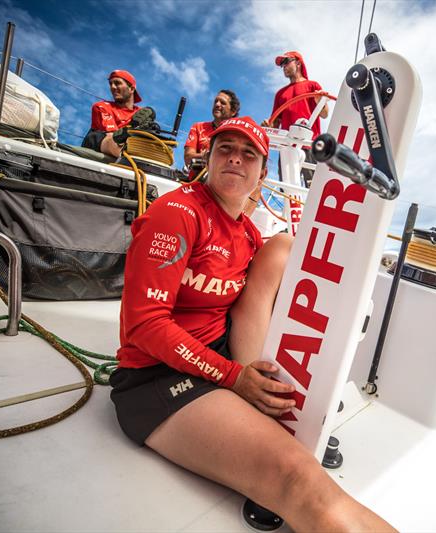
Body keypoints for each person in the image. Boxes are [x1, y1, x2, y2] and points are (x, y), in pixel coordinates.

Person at [109, 116, 394, 532]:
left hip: (219, 364)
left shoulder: (246, 235)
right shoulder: (176, 213)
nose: (235, 159)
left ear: (262, 172)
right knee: (296, 477)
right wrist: (232, 376)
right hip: (155, 380)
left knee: (284, 247)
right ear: (208, 158)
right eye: (225, 148)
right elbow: (144, 326)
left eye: (249, 154)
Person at [262, 51, 330, 186]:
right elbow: (275, 123)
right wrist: (267, 126)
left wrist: (319, 100)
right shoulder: (280, 94)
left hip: (310, 144)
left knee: (313, 188)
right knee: (288, 189)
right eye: (282, 65)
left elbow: (324, 113)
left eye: (286, 62)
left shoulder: (313, 86)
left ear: (298, 63)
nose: (284, 67)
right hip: (287, 145)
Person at [82, 70, 154, 158]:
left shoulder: (142, 113)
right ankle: (129, 139)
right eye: (110, 84)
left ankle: (131, 139)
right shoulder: (102, 106)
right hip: (103, 143)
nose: (112, 87)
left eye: (117, 83)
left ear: (131, 89)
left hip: (131, 145)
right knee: (113, 139)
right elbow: (111, 136)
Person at [183, 89, 241, 168]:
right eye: (215, 101)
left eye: (223, 103)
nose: (217, 104)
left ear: (233, 111)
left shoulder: (238, 134)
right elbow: (188, 158)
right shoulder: (198, 127)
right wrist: (207, 156)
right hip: (197, 179)